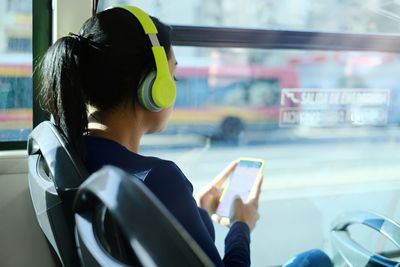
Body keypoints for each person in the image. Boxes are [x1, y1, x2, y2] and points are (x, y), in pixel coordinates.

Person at [38, 6, 332, 267]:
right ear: (154, 87)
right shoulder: (160, 179)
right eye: (173, 76)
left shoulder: (70, 156)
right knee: (316, 259)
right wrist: (241, 226)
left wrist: (198, 211)